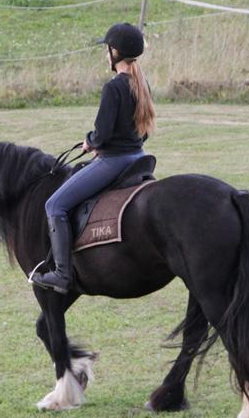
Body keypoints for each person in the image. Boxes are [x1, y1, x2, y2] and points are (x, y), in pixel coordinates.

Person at [31, 22, 156, 294]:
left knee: (55, 205)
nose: (105, 54)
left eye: (107, 49)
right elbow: (141, 131)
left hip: (114, 161)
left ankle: (62, 274)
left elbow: (103, 134)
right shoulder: (142, 84)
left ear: (115, 53)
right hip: (137, 156)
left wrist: (91, 142)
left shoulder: (113, 88)